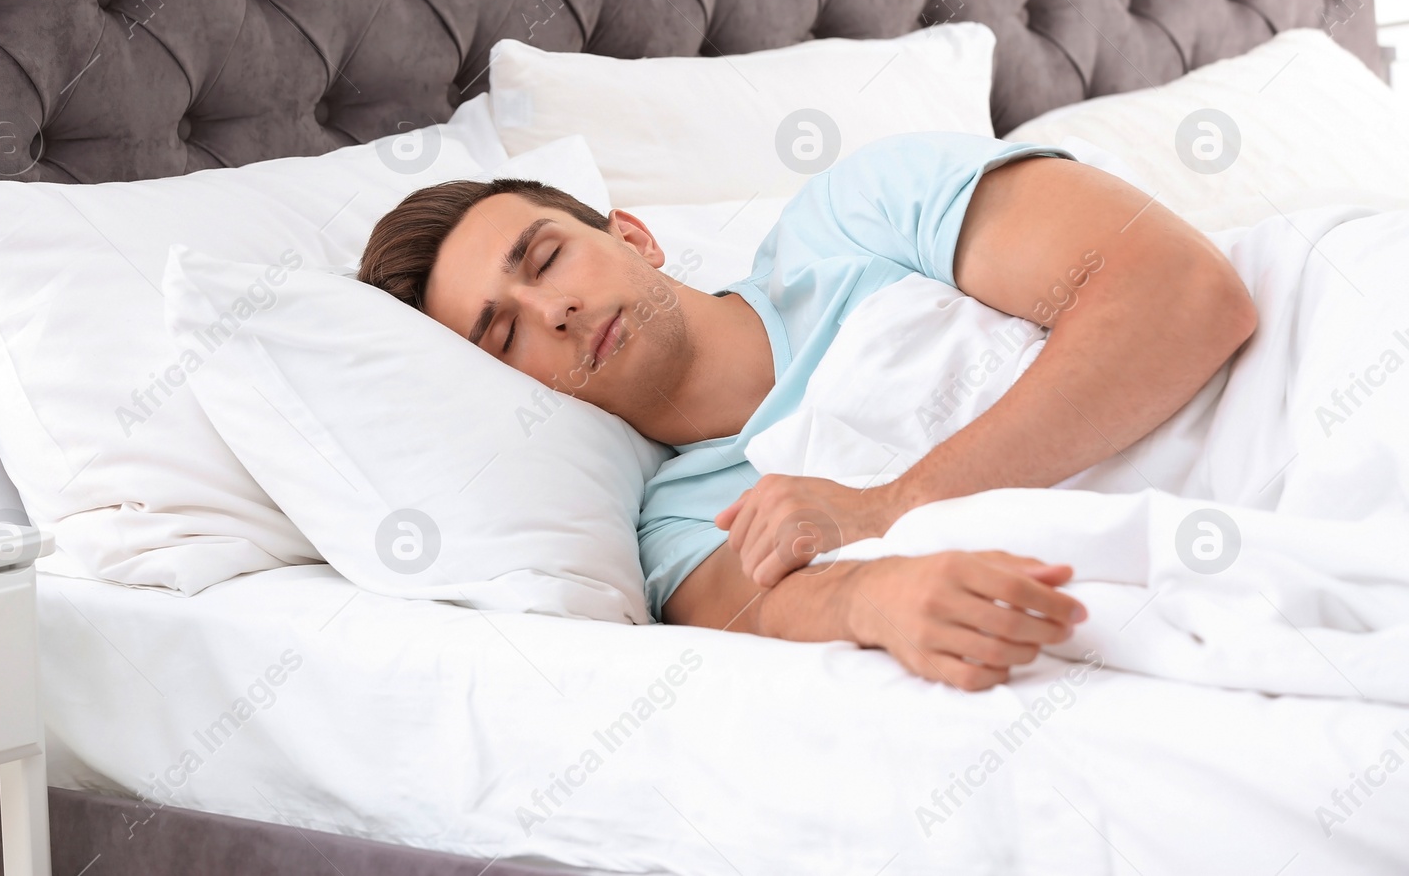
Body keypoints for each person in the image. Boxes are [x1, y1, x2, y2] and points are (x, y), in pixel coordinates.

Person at [356, 132, 1258, 691]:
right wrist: (881, 593)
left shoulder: (857, 214)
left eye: (545, 259)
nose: (550, 312)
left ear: (632, 235)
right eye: (503, 335)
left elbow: (1183, 292)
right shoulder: (676, 530)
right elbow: (816, 607)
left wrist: (889, 507)